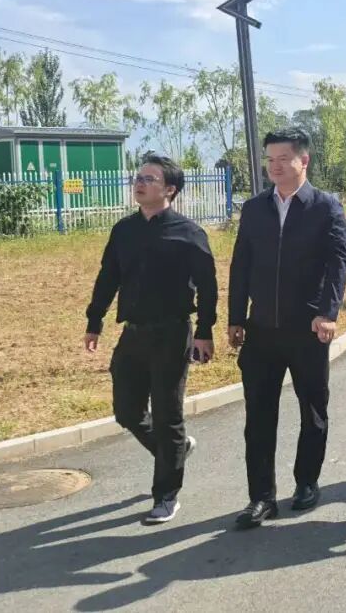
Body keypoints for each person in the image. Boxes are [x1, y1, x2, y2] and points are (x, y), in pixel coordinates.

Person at [228, 128, 346, 529]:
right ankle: (261, 497)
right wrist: (236, 317)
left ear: (304, 160)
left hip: (307, 329)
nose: (275, 166)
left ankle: (306, 482)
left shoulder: (325, 207)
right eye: (270, 159)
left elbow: (338, 262)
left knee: (313, 410)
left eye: (284, 158)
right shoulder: (254, 209)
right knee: (258, 417)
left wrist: (328, 312)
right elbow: (241, 265)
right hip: (261, 329)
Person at [84, 153, 217, 525]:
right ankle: (174, 451)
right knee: (126, 411)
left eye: (149, 179)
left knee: (167, 414)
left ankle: (166, 496)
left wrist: (205, 332)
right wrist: (94, 320)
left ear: (169, 190)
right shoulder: (124, 230)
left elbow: (208, 287)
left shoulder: (188, 233)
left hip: (172, 333)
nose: (139, 184)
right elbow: (108, 276)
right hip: (133, 334)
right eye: (138, 178)